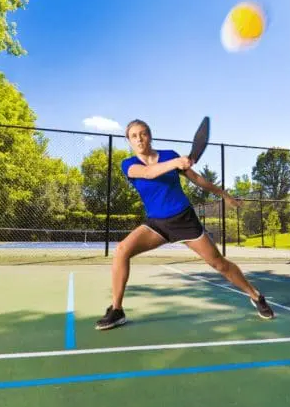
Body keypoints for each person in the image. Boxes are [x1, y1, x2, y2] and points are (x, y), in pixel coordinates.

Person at [95, 119, 275, 330]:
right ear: (129, 141)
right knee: (122, 250)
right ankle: (117, 310)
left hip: (184, 220)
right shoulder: (129, 165)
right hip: (156, 224)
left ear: (150, 136)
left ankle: (255, 295)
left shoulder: (170, 154)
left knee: (218, 263)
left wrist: (223, 194)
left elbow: (197, 179)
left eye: (143, 133)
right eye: (134, 136)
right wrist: (177, 163)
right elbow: (148, 173)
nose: (139, 139)